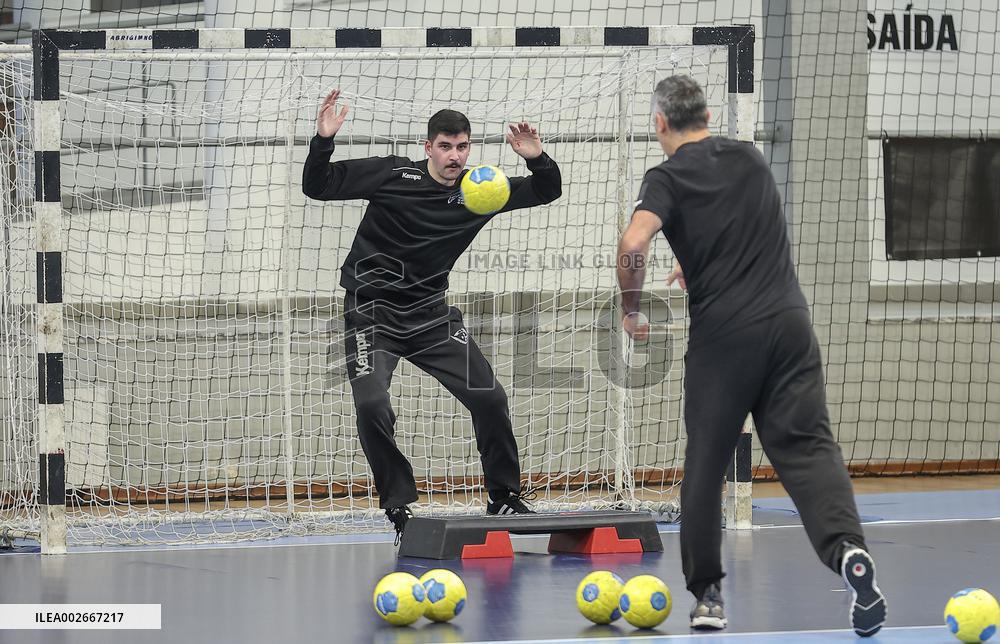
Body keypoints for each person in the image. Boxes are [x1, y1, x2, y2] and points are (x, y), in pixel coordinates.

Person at [615, 75, 886, 637]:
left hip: (725, 339)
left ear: (660, 123)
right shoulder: (751, 159)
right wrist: (699, 258)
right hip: (790, 327)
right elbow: (743, 229)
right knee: (808, 449)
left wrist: (631, 309)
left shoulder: (666, 177)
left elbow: (634, 243)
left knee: (707, 463)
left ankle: (708, 596)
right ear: (709, 116)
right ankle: (848, 551)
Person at [302, 89, 562, 541]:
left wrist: (537, 158)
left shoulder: (480, 191)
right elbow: (317, 186)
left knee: (490, 397)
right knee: (372, 405)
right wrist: (324, 140)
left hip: (431, 318)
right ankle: (399, 506)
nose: (454, 156)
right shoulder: (392, 174)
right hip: (372, 315)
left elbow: (547, 190)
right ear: (428, 147)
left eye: (462, 147)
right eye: (445, 146)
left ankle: (503, 496)